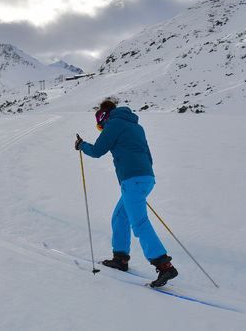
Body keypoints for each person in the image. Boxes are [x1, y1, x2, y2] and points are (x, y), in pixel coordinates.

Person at [74, 98, 178, 287]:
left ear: (103, 117)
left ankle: (165, 266)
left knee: (139, 223)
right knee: (120, 217)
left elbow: (98, 151)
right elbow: (148, 156)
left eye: (100, 126)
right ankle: (120, 259)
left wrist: (81, 145)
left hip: (133, 181)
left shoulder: (113, 124)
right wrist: (139, 178)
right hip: (145, 178)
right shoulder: (136, 126)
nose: (101, 129)